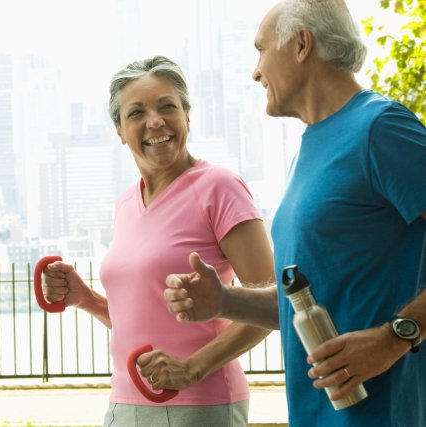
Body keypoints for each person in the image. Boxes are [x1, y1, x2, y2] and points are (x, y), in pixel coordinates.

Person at [163, 1, 426, 426]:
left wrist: (396, 336)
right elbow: (310, 302)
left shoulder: (381, 128)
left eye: (261, 49)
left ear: (302, 44)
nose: (255, 72)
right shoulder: (310, 148)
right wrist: (224, 300)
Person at [40, 55, 275, 426]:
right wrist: (84, 299)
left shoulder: (220, 188)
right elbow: (141, 319)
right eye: (136, 113)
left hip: (199, 406)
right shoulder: (125, 204)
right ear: (119, 130)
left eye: (168, 107)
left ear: (187, 117)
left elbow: (274, 305)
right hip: (122, 404)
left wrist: (192, 369)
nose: (155, 121)